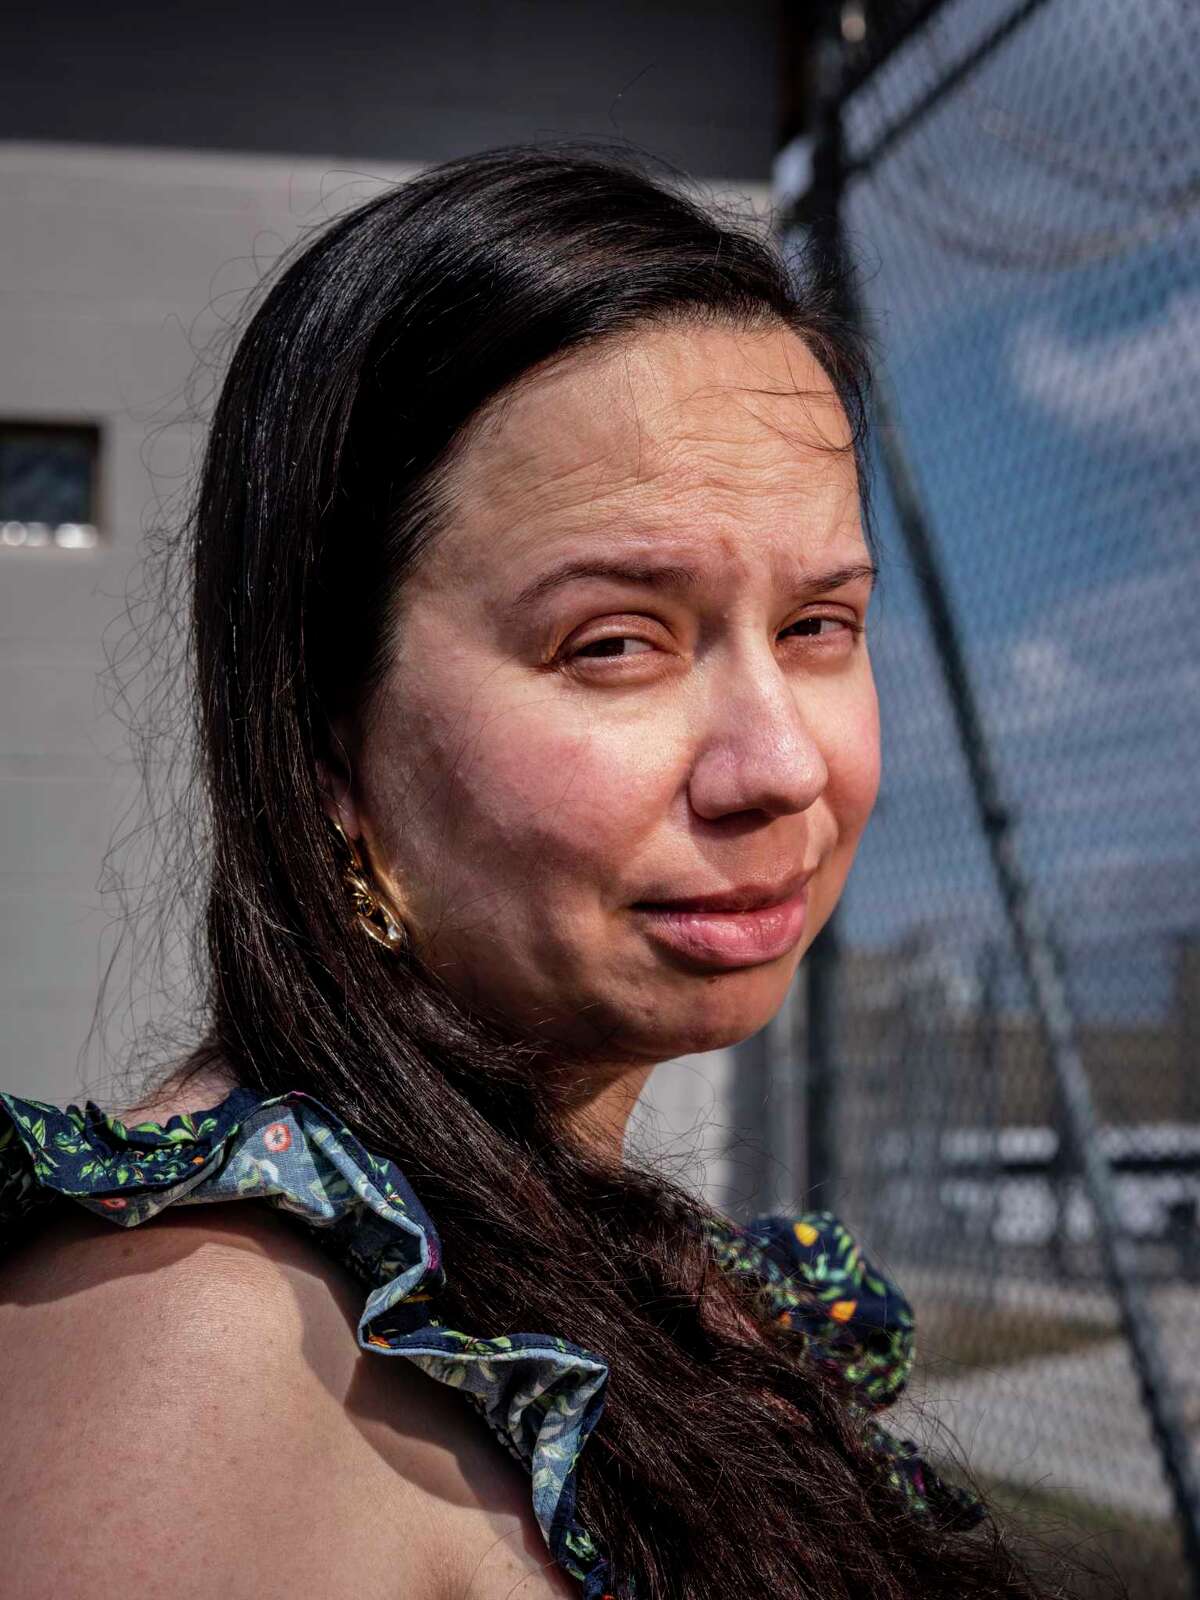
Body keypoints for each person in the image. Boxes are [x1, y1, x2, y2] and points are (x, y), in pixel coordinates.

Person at [0, 146, 1065, 1599]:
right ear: (326, 740)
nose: (779, 766)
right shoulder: (204, 1355)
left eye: (818, 626)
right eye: (615, 643)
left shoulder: (614, 1267)